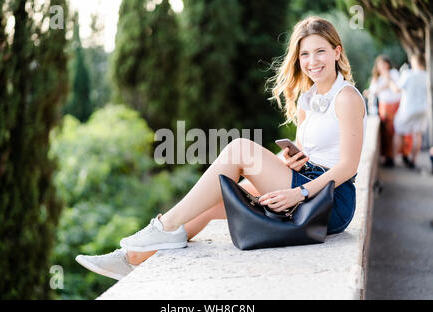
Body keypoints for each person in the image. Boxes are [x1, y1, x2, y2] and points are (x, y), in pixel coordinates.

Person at [75, 16, 367, 281]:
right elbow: (303, 152)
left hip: (331, 201)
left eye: (320, 51)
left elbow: (348, 167)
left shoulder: (347, 98)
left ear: (337, 52)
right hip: (305, 181)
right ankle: (132, 259)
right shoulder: (308, 99)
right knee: (223, 195)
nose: (312, 60)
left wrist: (298, 192)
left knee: (239, 148)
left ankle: (163, 226)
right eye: (304, 54)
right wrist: (286, 162)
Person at [386, 53, 429, 169]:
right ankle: (413, 161)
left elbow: (396, 89)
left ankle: (393, 159)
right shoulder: (428, 76)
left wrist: (389, 81)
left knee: (399, 132)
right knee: (417, 134)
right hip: (423, 109)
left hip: (408, 108)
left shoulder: (408, 74)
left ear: (414, 62)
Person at [368, 55, 411, 168]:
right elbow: (373, 91)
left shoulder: (393, 73)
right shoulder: (376, 78)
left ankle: (403, 155)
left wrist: (386, 81)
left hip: (396, 105)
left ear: (388, 64)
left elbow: (396, 88)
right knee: (387, 133)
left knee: (400, 131)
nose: (382, 67)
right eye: (380, 65)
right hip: (384, 107)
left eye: (384, 64)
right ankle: (388, 157)